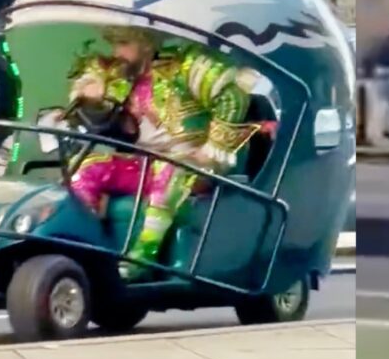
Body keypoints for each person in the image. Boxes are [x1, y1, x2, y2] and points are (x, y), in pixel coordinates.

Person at [67, 26, 262, 280]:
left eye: (124, 43)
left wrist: (213, 149)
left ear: (146, 42)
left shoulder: (184, 66)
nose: (117, 52)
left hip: (194, 166)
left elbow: (232, 97)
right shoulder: (121, 73)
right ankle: (88, 250)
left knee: (170, 169)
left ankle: (143, 256)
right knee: (85, 167)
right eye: (115, 44)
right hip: (145, 163)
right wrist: (90, 95)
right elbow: (90, 95)